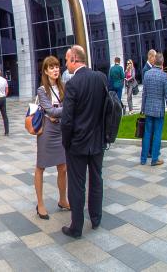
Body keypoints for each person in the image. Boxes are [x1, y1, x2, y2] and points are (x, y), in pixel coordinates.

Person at [60, 45, 107, 239]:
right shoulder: (100, 78)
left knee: (77, 185)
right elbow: (107, 108)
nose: (65, 64)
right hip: (97, 141)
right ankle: (96, 219)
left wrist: (66, 142)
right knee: (96, 179)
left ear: (74, 59)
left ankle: (76, 227)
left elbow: (67, 119)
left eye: (66, 60)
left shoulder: (73, 84)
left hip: (77, 144)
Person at [34, 56, 70, 220]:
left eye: (57, 66)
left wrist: (60, 111)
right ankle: (40, 203)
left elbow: (58, 111)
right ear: (46, 71)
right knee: (41, 166)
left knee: (63, 167)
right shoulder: (42, 90)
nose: (55, 70)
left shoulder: (63, 87)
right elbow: (51, 111)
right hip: (47, 131)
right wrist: (66, 108)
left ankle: (63, 199)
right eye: (51, 67)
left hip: (60, 129)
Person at [140, 53, 167, 166]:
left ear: (154, 62)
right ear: (162, 63)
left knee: (147, 134)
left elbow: (144, 94)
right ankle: (154, 159)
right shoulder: (164, 76)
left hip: (148, 110)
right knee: (157, 134)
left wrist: (142, 109)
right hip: (159, 111)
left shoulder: (147, 74)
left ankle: (143, 159)